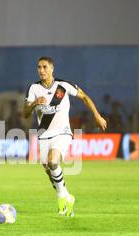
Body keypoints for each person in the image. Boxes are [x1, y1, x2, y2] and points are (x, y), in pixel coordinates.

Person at [23, 56, 107, 217]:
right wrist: (34, 104)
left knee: (53, 161)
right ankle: (67, 197)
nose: (41, 70)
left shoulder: (63, 86)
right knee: (49, 171)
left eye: (45, 67)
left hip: (63, 133)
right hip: (43, 135)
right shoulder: (33, 88)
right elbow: (25, 114)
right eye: (39, 67)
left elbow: (84, 97)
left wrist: (97, 115)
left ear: (52, 69)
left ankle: (61, 199)